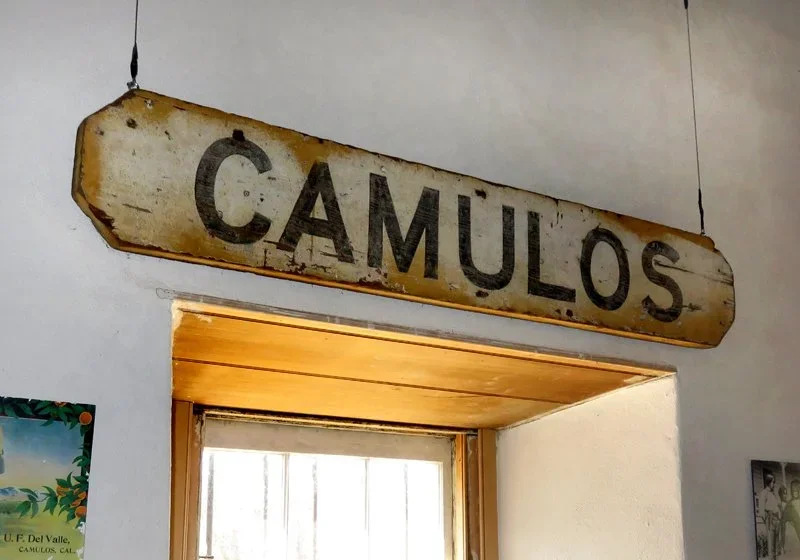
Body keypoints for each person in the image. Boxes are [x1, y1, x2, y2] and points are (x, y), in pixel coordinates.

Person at [760, 473, 781, 559]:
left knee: (776, 545)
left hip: (776, 519)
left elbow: (776, 506)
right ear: (768, 482)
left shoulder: (773, 494)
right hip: (770, 519)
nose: (774, 484)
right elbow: (761, 509)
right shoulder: (764, 493)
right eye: (773, 482)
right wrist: (767, 520)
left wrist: (778, 518)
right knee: (771, 545)